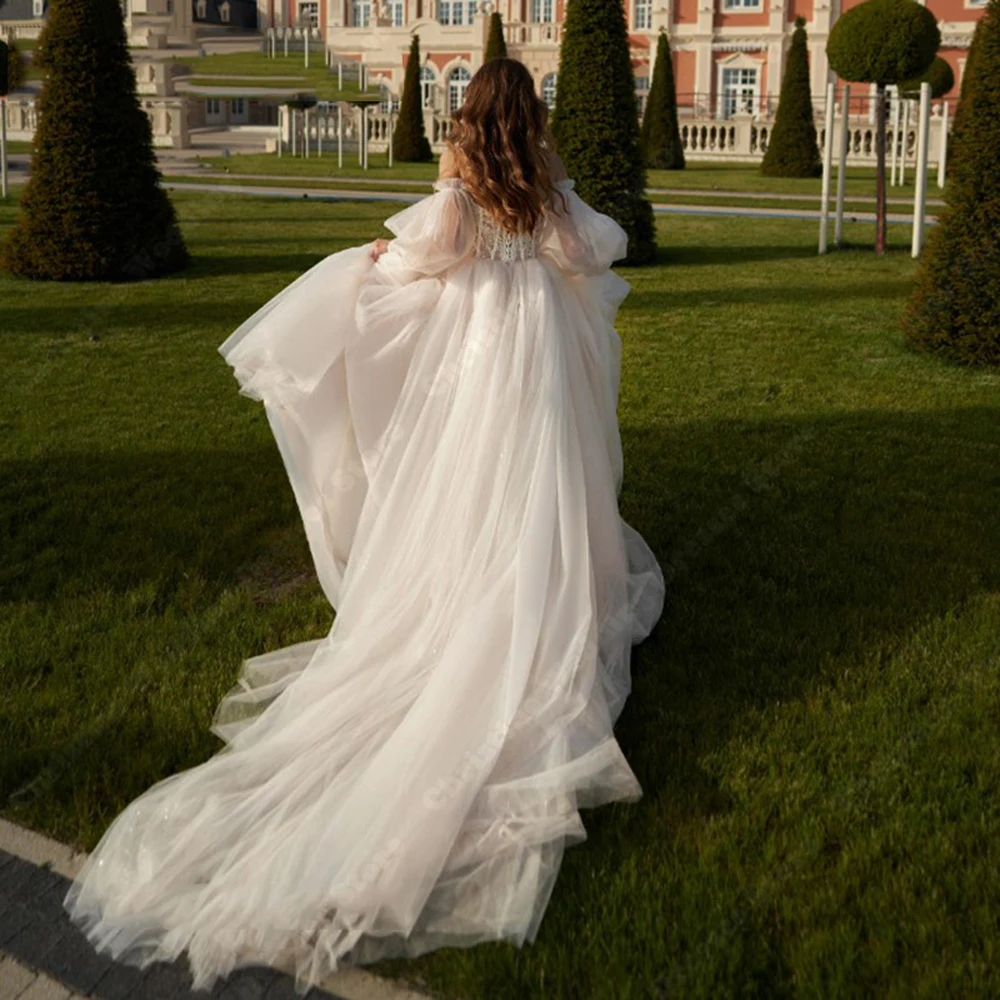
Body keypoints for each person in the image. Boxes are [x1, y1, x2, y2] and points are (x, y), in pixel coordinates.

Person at [63, 57, 665, 994]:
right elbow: (590, 254)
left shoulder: (465, 168)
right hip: (534, 342)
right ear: (532, 112)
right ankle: (538, 587)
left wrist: (384, 260)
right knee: (544, 471)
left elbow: (429, 255)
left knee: (465, 475)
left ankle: (472, 585)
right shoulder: (546, 175)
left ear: (472, 111)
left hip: (476, 342)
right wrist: (547, 227)